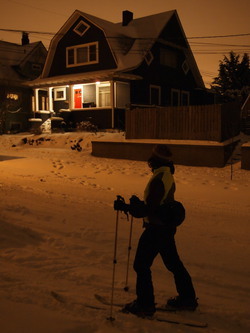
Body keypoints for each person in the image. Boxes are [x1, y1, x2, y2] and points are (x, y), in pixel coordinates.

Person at [115, 144, 198, 317]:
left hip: (156, 228)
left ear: (156, 160)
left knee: (141, 265)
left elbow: (149, 209)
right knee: (173, 264)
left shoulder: (159, 178)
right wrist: (138, 205)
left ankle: (145, 305)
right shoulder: (166, 174)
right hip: (165, 228)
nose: (149, 159)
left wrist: (128, 207)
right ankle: (187, 299)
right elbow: (155, 203)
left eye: (152, 156)